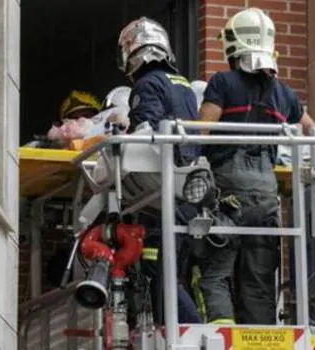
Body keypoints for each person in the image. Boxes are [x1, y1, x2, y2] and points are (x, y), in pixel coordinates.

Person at [196, 8, 315, 325]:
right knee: (259, 281)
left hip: (228, 191)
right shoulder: (285, 93)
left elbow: (200, 131)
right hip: (267, 194)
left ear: (232, 45)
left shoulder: (223, 82)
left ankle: (222, 339)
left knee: (215, 274)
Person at [116, 16, 202, 324]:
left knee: (158, 272)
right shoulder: (183, 85)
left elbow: (145, 129)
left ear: (131, 52)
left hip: (165, 191)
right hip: (188, 189)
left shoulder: (148, 83)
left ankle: (193, 331)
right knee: (172, 271)